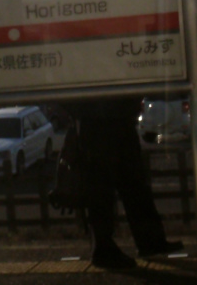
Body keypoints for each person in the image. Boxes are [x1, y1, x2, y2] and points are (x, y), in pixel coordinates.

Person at [66, 97, 183, 269]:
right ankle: (136, 244)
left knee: (116, 187)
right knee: (118, 187)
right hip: (109, 120)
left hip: (101, 121)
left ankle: (116, 247)